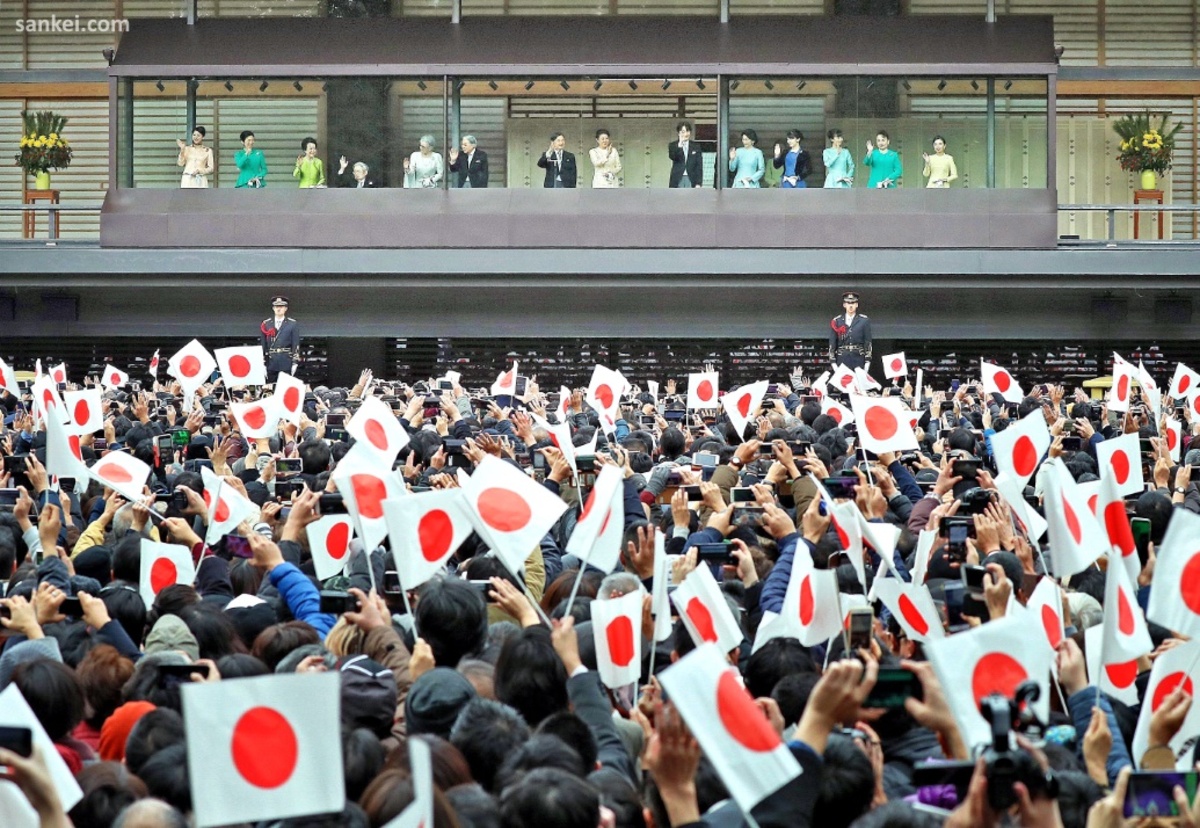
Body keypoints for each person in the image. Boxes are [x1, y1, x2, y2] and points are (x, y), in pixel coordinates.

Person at [828, 291, 872, 370]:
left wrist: (867, 362)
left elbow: (867, 342)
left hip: (858, 359)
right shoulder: (837, 321)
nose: (850, 305)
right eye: (848, 303)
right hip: (842, 359)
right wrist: (833, 363)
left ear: (857, 305)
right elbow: (832, 343)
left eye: (853, 303)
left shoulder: (864, 321)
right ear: (844, 305)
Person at [260, 296, 300, 378]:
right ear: (273, 308)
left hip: (286, 362)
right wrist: (262, 363)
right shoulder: (266, 324)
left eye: (281, 306)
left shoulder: (292, 324)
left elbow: (295, 344)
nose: (278, 309)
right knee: (270, 385)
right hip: (271, 362)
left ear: (285, 308)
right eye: (276, 306)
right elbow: (263, 344)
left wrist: (295, 362)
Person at [667, 121, 704, 188]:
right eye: (683, 132)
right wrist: (680, 145)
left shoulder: (696, 146)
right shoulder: (673, 145)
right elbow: (673, 157)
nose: (686, 134)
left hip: (691, 178)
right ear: (679, 133)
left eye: (687, 131)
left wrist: (698, 183)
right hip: (678, 178)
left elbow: (699, 166)